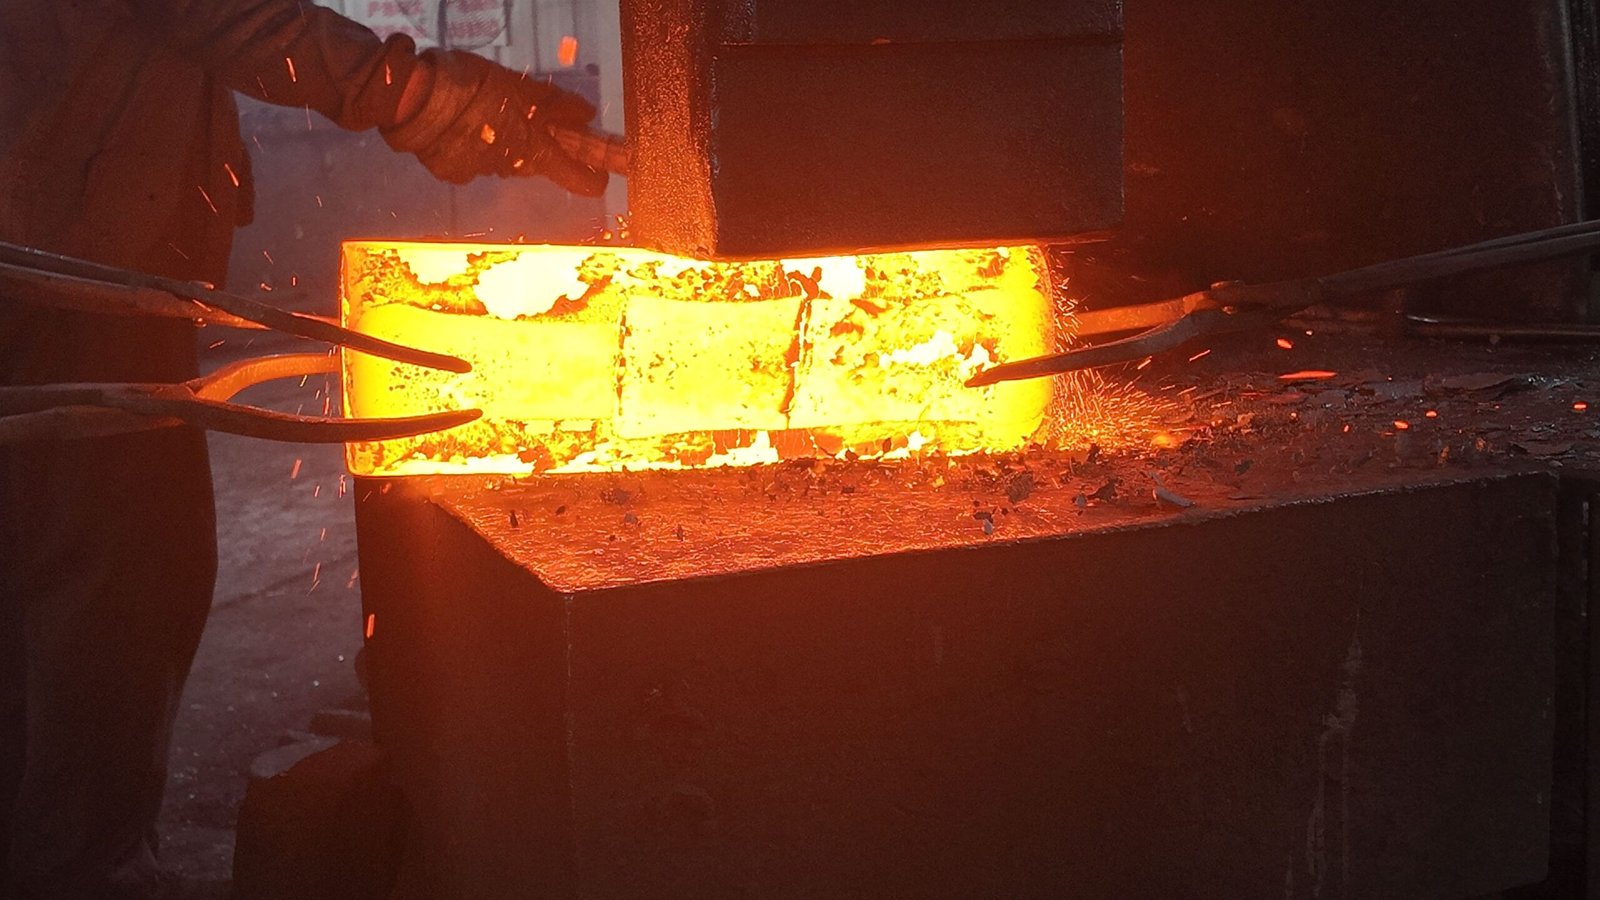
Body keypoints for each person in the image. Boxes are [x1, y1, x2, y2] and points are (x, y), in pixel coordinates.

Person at [0, 3, 606, 897]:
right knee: (120, 581)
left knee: (37, 573)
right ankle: (81, 872)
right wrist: (426, 96)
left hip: (45, 241)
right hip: (73, 263)